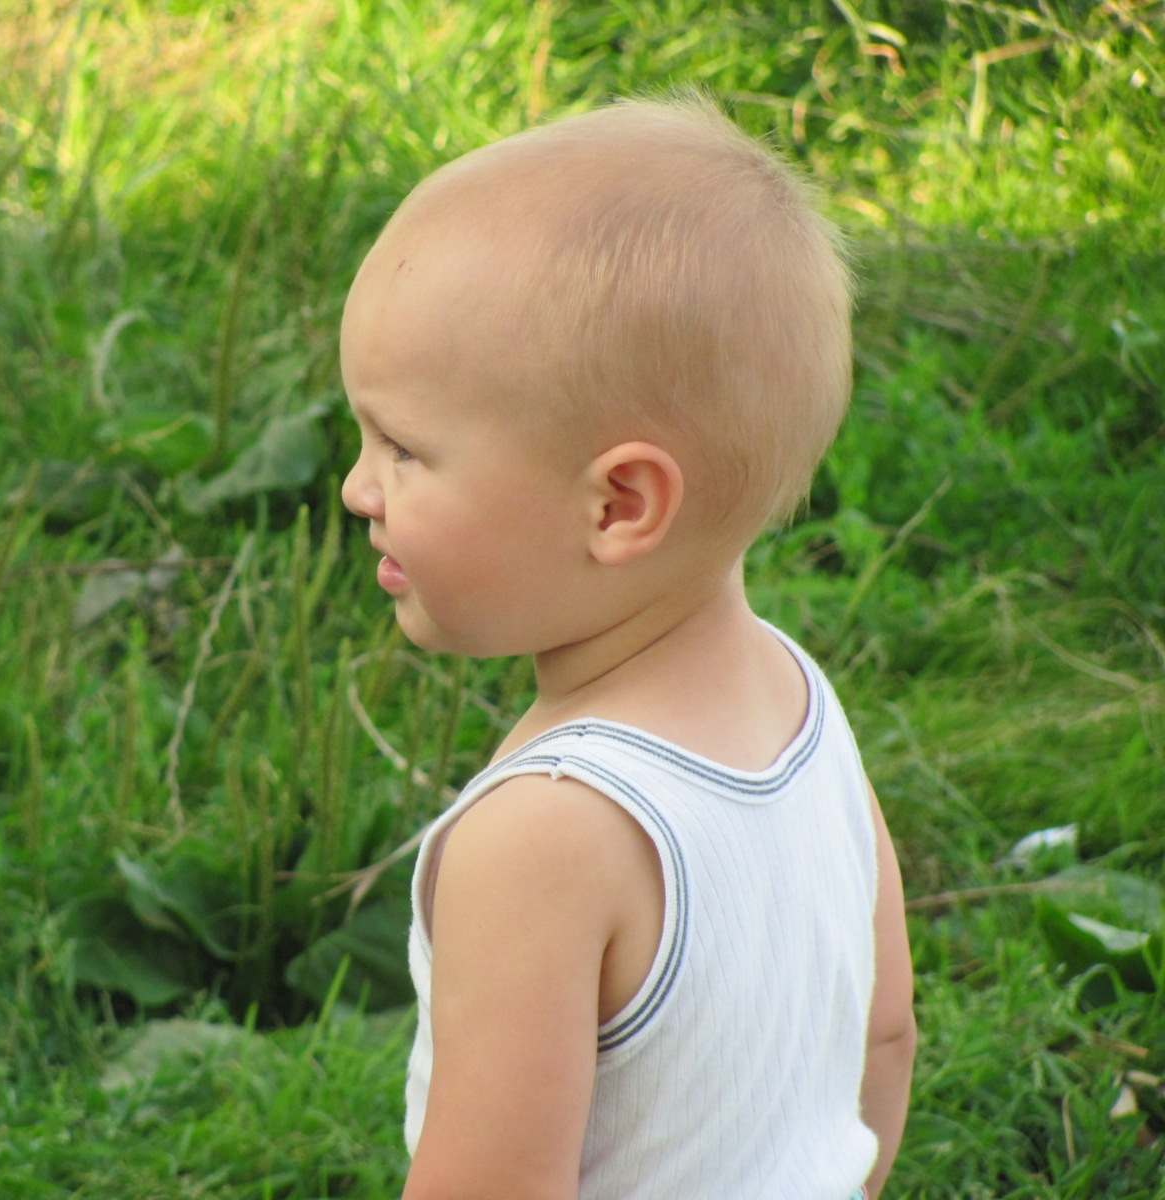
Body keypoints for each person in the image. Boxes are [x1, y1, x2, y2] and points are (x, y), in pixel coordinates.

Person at [338, 94, 917, 1200]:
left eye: (403, 449)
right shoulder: (801, 705)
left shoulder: (543, 836)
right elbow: (881, 1041)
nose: (358, 489)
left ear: (618, 506)